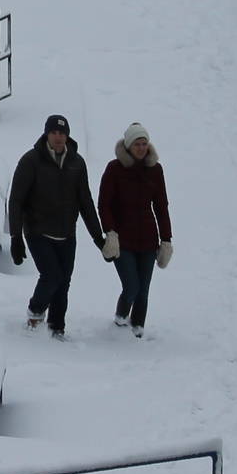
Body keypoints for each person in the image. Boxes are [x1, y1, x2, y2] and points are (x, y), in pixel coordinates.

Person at [7, 114, 105, 340]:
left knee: (64, 281)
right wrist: (15, 236)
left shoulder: (76, 163)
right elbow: (16, 200)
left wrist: (97, 237)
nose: (58, 137)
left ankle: (57, 327)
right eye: (54, 133)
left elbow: (85, 202)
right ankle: (35, 311)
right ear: (46, 134)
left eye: (62, 133)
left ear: (67, 135)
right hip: (37, 230)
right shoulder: (31, 160)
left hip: (67, 232)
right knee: (52, 276)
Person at [98, 122, 173, 339]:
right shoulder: (115, 169)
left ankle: (138, 327)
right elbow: (104, 204)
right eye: (137, 144)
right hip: (123, 240)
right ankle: (121, 318)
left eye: (144, 143)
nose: (141, 148)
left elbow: (161, 206)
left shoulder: (155, 170)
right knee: (132, 285)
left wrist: (166, 239)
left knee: (144, 289)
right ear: (129, 146)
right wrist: (110, 232)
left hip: (148, 239)